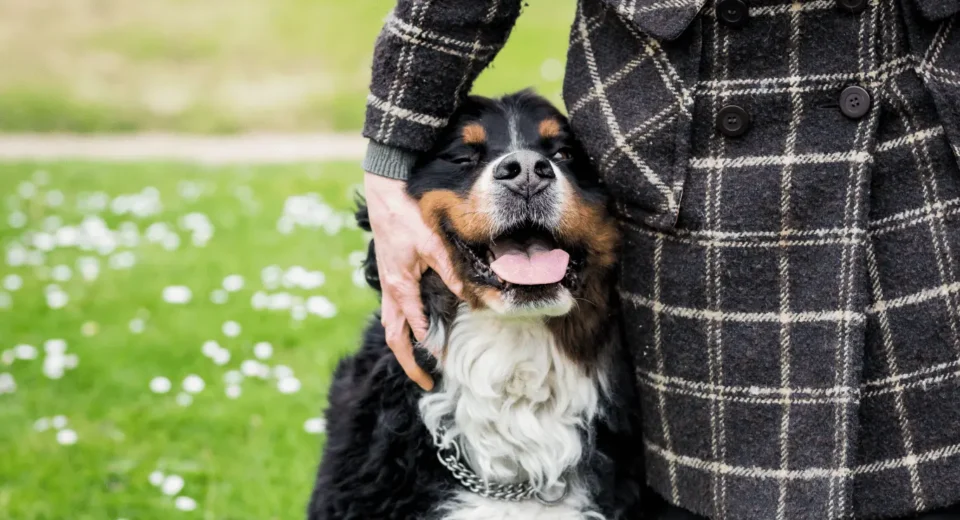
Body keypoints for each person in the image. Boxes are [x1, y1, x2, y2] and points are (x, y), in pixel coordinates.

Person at [360, 0, 960, 518]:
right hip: (685, 158)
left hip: (915, 140)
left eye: (559, 158)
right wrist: (390, 158)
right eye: (471, 162)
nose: (526, 172)